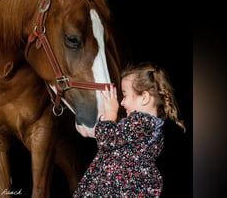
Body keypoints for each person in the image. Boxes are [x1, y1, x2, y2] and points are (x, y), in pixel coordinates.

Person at [73, 62, 186, 197]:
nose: (121, 103)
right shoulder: (153, 127)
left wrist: (110, 114)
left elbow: (107, 140)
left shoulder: (139, 122)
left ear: (144, 98)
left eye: (125, 95)